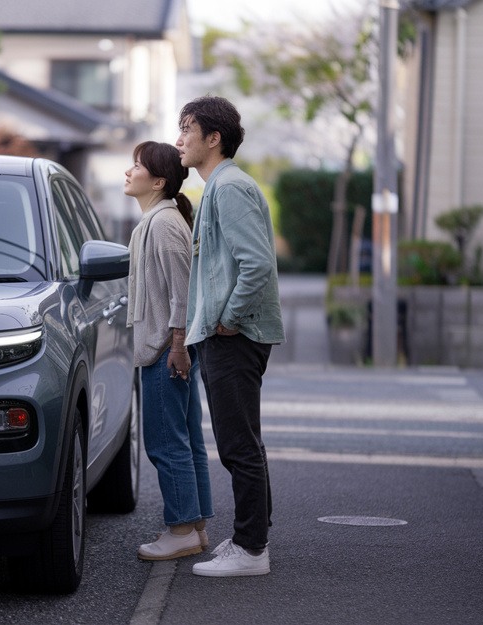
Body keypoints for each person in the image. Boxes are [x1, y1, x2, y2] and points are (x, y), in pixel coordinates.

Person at [175, 96, 284, 577]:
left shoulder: (229, 187)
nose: (179, 140)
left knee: (238, 444)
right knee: (245, 442)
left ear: (213, 138)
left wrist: (230, 319)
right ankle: (252, 537)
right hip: (227, 333)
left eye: (187, 129)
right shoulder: (220, 186)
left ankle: (251, 549)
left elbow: (256, 263)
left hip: (234, 336)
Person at [123, 141, 214, 561]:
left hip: (165, 350)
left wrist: (177, 345)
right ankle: (194, 526)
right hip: (167, 347)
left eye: (137, 166)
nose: (128, 171)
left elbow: (184, 291)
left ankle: (180, 529)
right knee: (186, 439)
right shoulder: (159, 219)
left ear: (158, 181)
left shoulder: (162, 223)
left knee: (165, 444)